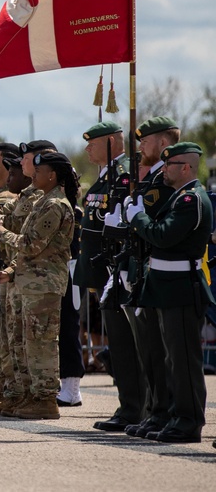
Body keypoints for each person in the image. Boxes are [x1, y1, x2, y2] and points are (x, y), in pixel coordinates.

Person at [0, 151, 77, 419]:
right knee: (25, 343)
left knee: (41, 343)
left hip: (44, 285)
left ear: (52, 175)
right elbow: (28, 249)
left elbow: (30, 244)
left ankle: (45, 399)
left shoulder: (55, 205)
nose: (35, 176)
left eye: (40, 172)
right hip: (29, 282)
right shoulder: (44, 201)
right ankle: (30, 395)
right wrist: (9, 270)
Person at [125, 141, 214, 443]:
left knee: (184, 360)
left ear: (186, 167)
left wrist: (137, 218)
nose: (163, 171)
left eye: (170, 166)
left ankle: (189, 421)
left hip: (181, 289)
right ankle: (175, 415)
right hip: (167, 288)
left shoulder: (191, 200)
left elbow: (162, 236)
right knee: (171, 360)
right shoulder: (178, 198)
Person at [74, 121, 143, 433]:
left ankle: (134, 408)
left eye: (94, 142)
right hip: (102, 273)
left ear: (115, 142)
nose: (88, 148)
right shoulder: (105, 177)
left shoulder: (125, 174)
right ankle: (129, 405)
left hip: (119, 271)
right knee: (118, 342)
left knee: (128, 344)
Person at [121, 116, 180, 437]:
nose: (141, 146)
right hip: (140, 268)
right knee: (149, 350)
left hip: (162, 272)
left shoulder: (168, 182)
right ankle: (155, 411)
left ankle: (167, 412)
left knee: (164, 350)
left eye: (146, 141)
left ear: (163, 143)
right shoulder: (150, 178)